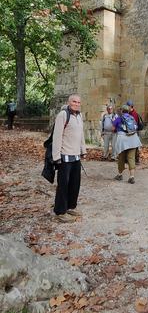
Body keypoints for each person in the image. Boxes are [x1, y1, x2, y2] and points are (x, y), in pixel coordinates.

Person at [52, 94, 87, 223]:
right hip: (64, 156)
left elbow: (81, 134)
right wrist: (56, 157)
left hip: (76, 156)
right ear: (69, 102)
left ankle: (71, 206)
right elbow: (57, 136)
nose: (76, 104)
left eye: (78, 102)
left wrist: (83, 150)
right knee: (63, 185)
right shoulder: (63, 115)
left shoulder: (79, 115)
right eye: (74, 101)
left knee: (75, 183)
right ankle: (60, 211)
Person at [112, 104, 142, 184]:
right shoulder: (132, 118)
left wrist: (117, 130)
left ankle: (120, 175)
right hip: (133, 139)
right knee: (131, 158)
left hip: (123, 140)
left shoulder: (118, 119)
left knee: (121, 158)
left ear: (122, 111)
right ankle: (132, 177)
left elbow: (113, 129)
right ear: (128, 111)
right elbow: (136, 127)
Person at [126, 100, 141, 164]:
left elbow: (133, 124)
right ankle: (130, 159)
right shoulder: (130, 113)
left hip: (134, 132)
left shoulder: (134, 114)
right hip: (131, 132)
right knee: (131, 145)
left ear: (130, 106)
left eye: (127, 106)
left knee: (135, 146)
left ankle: (136, 160)